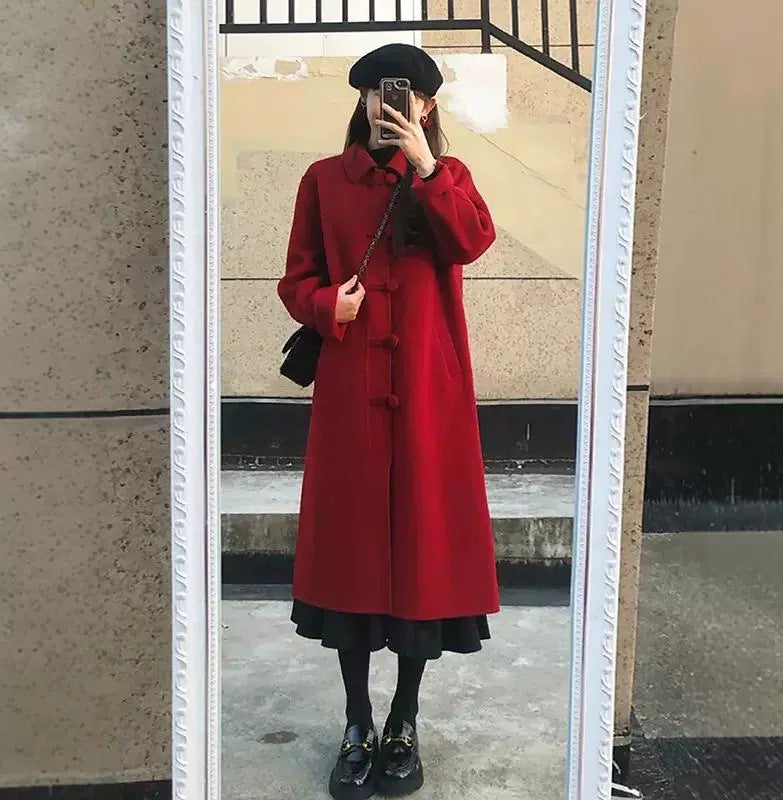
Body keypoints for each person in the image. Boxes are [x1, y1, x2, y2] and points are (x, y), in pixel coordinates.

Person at [277, 42, 500, 799]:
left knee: (421, 562)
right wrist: (324, 307)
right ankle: (356, 720)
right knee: (351, 559)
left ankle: (404, 718)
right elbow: (296, 276)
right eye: (376, 91)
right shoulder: (322, 180)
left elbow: (472, 241)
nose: (388, 103)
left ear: (428, 106)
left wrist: (428, 170)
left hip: (428, 394)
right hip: (351, 396)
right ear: (362, 101)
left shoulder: (449, 177)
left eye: (402, 93)